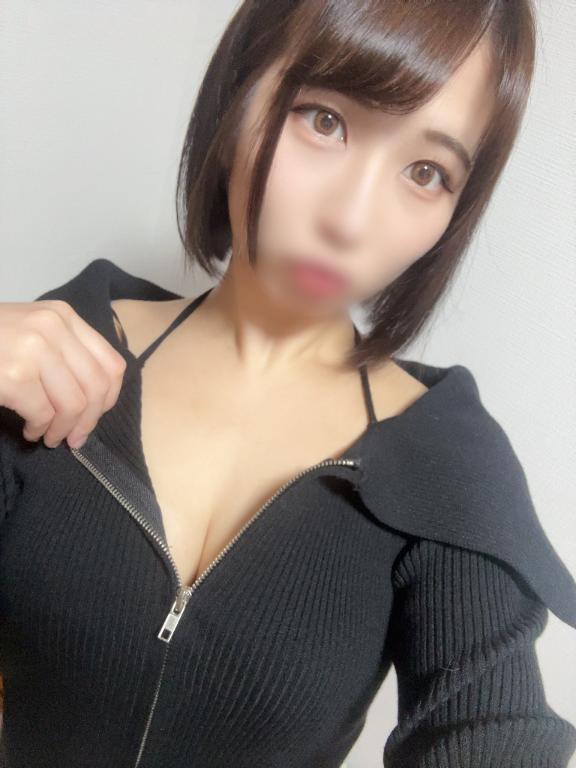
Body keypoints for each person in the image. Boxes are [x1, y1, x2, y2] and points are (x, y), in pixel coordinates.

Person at [1, 1, 575, 766]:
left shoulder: (447, 464)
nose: (351, 222)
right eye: (325, 120)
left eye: (426, 173)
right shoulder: (64, 347)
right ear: (238, 95)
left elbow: (493, 730)